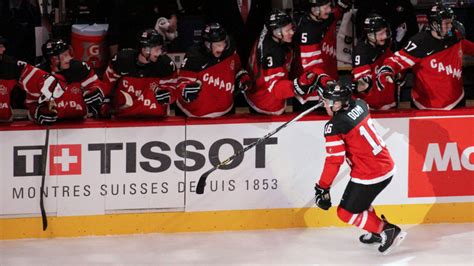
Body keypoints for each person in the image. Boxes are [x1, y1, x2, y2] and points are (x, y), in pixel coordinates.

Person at [314, 82, 406, 255]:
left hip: (370, 174)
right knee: (361, 203)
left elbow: (334, 161)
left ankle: (386, 230)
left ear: (340, 103)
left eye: (329, 101)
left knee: (345, 212)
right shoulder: (361, 105)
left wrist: (323, 187)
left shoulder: (334, 126)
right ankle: (375, 231)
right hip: (385, 166)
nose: (325, 104)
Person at [376, 3, 474, 110]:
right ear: (435, 24)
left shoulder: (455, 37)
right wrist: (387, 70)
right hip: (425, 106)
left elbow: (469, 47)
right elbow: (397, 60)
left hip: (456, 101)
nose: (450, 26)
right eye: (446, 23)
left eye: (451, 22)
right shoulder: (419, 42)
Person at [244, 9, 330, 115]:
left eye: (291, 28)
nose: (292, 32)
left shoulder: (268, 33)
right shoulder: (272, 52)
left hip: (256, 94)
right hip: (264, 103)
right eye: (287, 30)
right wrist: (298, 85)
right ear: (277, 32)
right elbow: (276, 89)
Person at [176, 23, 250, 118]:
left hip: (226, 111)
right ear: (207, 44)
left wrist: (241, 76)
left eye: (224, 43)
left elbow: (237, 68)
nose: (222, 48)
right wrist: (185, 91)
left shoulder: (230, 49)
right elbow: (182, 82)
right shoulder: (194, 56)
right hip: (195, 115)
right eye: (218, 45)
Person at [103, 29, 178, 118]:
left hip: (157, 120)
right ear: (145, 49)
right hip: (123, 120)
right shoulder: (121, 61)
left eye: (160, 49)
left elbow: (174, 89)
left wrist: (168, 94)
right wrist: (104, 107)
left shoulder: (165, 64)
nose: (159, 53)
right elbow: (106, 86)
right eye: (157, 49)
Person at [292, 0, 351, 109]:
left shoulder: (325, 17)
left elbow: (338, 10)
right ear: (314, 9)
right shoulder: (307, 31)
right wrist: (326, 82)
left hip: (329, 82)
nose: (330, 10)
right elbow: (312, 69)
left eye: (330, 6)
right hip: (311, 91)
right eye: (326, 7)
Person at [0, 36, 69, 124]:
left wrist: (39, 108)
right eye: (0, 46)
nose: (4, 49)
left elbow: (39, 82)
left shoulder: (12, 66)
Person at [38, 39, 106, 120]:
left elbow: (96, 84)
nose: (69, 58)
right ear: (53, 58)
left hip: (80, 121)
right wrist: (38, 112)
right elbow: (31, 103)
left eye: (68, 54)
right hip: (53, 123)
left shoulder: (79, 68)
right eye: (65, 55)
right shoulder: (39, 74)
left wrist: (95, 90)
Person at [352, 14, 398, 110]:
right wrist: (362, 84)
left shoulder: (387, 43)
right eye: (381, 33)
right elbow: (363, 83)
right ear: (370, 35)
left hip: (388, 101)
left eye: (385, 32)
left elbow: (393, 62)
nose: (385, 36)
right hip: (369, 106)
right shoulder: (361, 51)